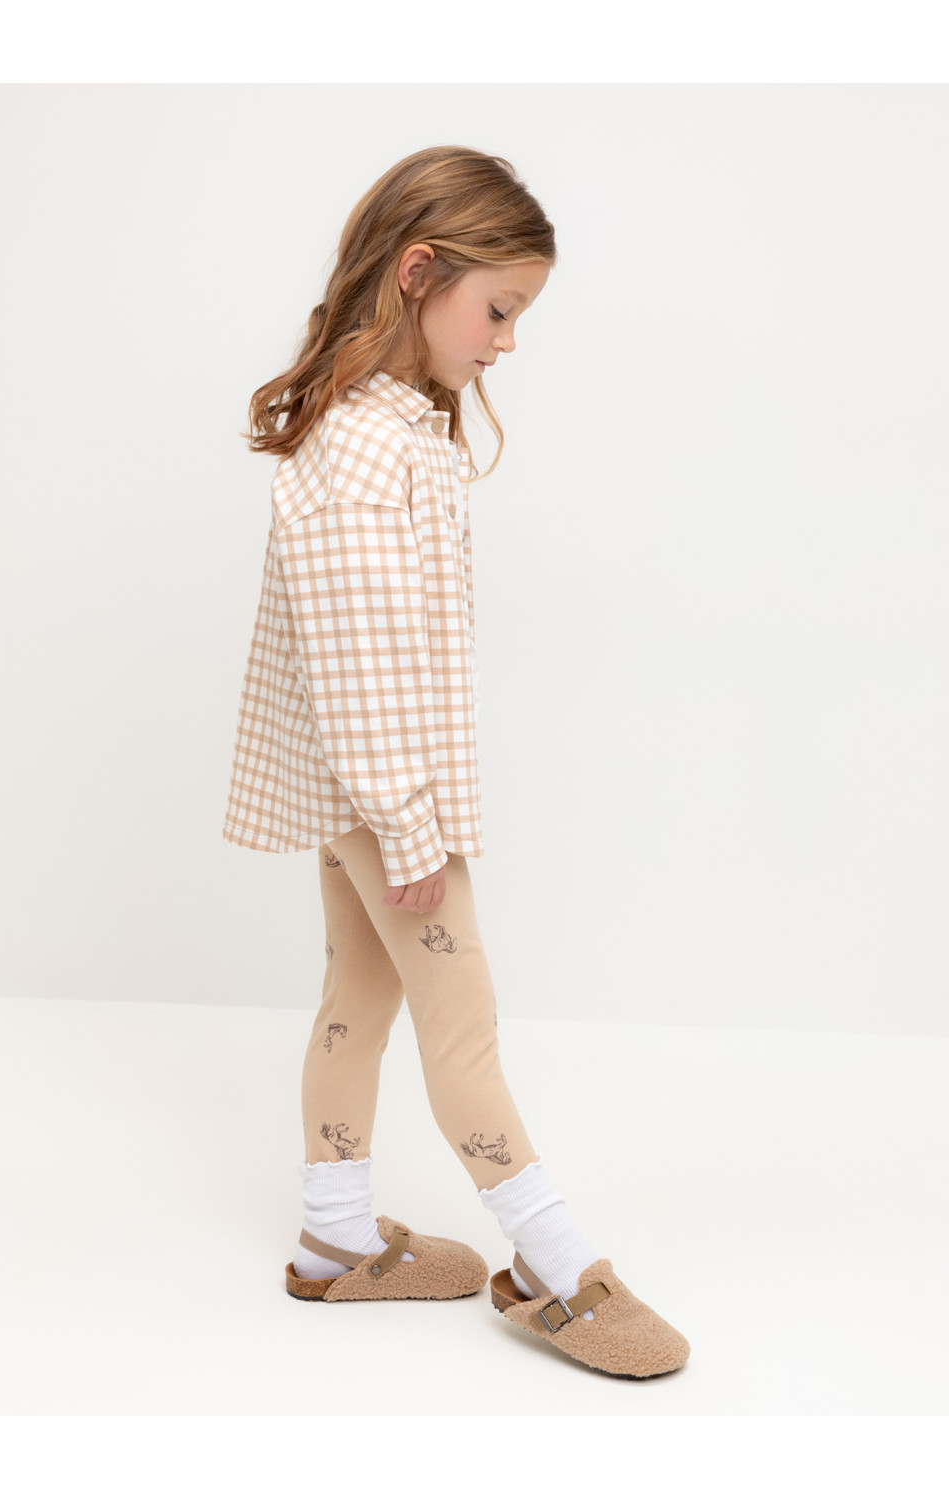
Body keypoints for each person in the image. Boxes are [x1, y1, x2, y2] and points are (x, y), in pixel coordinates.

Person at [221, 145, 690, 1378]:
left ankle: (333, 1239)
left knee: (360, 998)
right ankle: (555, 1269)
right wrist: (409, 827)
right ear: (419, 272)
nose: (508, 342)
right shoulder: (365, 451)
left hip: (367, 794)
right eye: (500, 310)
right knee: (461, 1024)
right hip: (387, 802)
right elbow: (357, 663)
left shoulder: (386, 427)